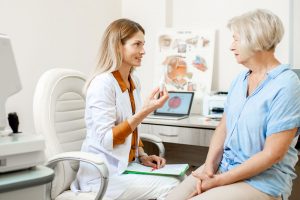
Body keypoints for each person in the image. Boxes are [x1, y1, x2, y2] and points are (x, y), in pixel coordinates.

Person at [166, 9, 300, 200]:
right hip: (224, 167)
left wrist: (218, 182)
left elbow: (273, 154)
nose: (231, 46)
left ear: (255, 39)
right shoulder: (240, 79)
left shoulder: (287, 84)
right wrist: (209, 169)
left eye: (236, 39)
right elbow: (223, 127)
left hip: (262, 181)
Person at [71, 18, 179, 200]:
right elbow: (107, 139)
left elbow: (131, 129)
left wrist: (143, 155)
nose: (143, 51)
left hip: (127, 166)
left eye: (143, 45)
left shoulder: (133, 81)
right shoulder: (102, 84)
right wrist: (145, 111)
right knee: (174, 185)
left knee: (181, 177)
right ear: (117, 47)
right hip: (103, 176)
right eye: (137, 44)